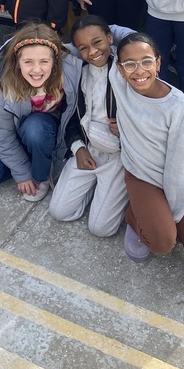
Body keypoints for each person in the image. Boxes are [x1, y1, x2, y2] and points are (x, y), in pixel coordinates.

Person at [111, 32, 184, 280]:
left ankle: (160, 220)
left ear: (159, 63)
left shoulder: (176, 106)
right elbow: (103, 35)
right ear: (119, 69)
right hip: (140, 174)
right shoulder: (118, 81)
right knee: (161, 243)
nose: (138, 70)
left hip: (176, 178)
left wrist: (173, 217)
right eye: (129, 64)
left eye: (146, 61)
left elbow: (180, 170)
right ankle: (134, 217)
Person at [0, 22, 82, 202]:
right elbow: (0, 134)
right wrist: (21, 172)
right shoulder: (6, 85)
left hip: (42, 131)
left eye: (44, 61)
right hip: (9, 134)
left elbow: (105, 38)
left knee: (36, 128)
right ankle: (33, 158)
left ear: (55, 60)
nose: (36, 70)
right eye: (28, 62)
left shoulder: (71, 70)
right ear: (17, 62)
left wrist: (135, 40)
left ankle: (41, 175)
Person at [49, 16, 131, 237]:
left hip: (118, 155)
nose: (93, 52)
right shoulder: (77, 73)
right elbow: (71, 117)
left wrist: (126, 130)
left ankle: (109, 189)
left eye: (98, 42)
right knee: (59, 211)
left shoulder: (128, 70)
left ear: (110, 38)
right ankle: (95, 187)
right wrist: (78, 148)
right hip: (88, 148)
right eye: (83, 48)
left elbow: (148, 117)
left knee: (101, 229)